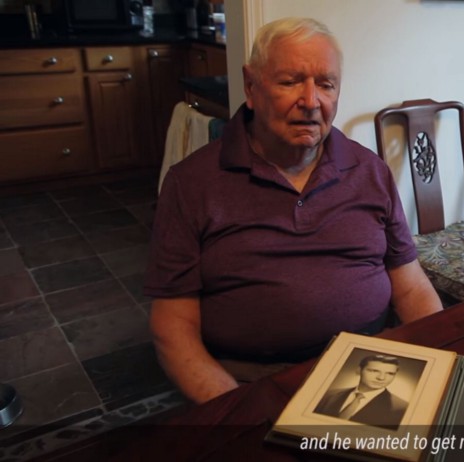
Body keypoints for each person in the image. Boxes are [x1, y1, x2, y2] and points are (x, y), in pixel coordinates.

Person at [144, 17, 443, 404]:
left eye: (325, 84)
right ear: (251, 87)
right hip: (252, 383)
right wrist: (233, 410)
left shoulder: (370, 171)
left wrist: (437, 358)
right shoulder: (191, 183)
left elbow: (412, 283)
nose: (311, 101)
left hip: (372, 364)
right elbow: (172, 325)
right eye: (290, 82)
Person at [314, 354, 408, 430]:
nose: (381, 378)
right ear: (359, 370)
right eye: (374, 371)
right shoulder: (328, 394)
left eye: (390, 373)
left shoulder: (402, 408)